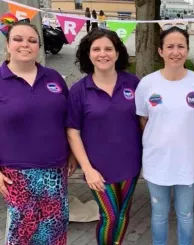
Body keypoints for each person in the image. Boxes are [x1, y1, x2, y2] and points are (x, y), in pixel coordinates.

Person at [0, 20, 77, 245]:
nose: (26, 45)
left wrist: (71, 152)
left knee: (54, 230)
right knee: (23, 234)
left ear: (39, 47)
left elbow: (67, 119)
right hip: (17, 174)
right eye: (18, 39)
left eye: (32, 40)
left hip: (55, 170)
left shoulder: (53, 78)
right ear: (8, 45)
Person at [135, 26, 194, 245]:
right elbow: (144, 121)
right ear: (160, 51)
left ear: (187, 50)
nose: (175, 52)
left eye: (181, 46)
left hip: (188, 162)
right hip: (156, 161)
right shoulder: (147, 84)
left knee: (185, 214)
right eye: (170, 46)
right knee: (159, 213)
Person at [67, 29, 141, 245]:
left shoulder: (133, 83)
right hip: (98, 168)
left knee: (123, 213)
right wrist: (87, 169)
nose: (103, 54)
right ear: (88, 54)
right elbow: (73, 132)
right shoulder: (79, 90)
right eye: (96, 49)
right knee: (109, 216)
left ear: (117, 53)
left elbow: (145, 120)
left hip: (130, 164)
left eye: (109, 48)